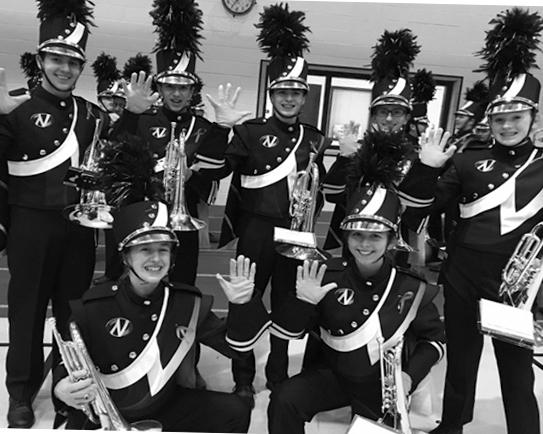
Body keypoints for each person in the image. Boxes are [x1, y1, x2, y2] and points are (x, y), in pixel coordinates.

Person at [398, 8, 543, 434]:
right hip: (463, 277)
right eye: (500, 118)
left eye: (517, 117)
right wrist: (425, 168)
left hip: (514, 285)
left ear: (532, 119)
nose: (508, 125)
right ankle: (453, 426)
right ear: (490, 121)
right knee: (462, 360)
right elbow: (419, 210)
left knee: (516, 370)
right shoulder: (465, 162)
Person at [193, 3, 328, 407]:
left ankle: (279, 374)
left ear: (305, 97)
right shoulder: (250, 132)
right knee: (245, 301)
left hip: (296, 234)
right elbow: (215, 172)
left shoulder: (315, 138)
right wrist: (220, 129)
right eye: (282, 91)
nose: (289, 98)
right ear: (271, 95)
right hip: (255, 229)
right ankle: (243, 377)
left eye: (296, 92)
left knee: (289, 303)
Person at [267, 131, 445, 434]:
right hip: (332, 375)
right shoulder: (325, 272)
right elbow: (290, 330)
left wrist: (409, 377)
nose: (364, 244)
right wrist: (303, 302)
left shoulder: (412, 286)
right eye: (357, 235)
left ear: (391, 241)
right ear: (346, 237)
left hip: (382, 385)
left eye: (375, 236)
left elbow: (434, 341)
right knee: (284, 399)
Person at [52, 198, 269, 432]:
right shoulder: (95, 305)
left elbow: (235, 348)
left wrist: (242, 304)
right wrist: (60, 387)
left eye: (163, 250)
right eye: (145, 249)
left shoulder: (187, 303)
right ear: (126, 257)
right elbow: (69, 361)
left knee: (235, 412)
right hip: (107, 412)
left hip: (165, 407)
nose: (156, 259)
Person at [0, 0, 103, 427]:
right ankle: (20, 393)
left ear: (81, 68)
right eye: (56, 59)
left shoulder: (93, 116)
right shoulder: (15, 110)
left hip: (77, 228)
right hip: (30, 224)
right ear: (40, 59)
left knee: (71, 313)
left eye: (72, 62)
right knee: (26, 310)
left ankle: (69, 388)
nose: (64, 68)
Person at [111, 0, 245, 287]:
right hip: (144, 214)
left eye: (183, 87)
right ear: (159, 87)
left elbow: (218, 171)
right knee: (138, 284)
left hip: (185, 219)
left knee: (182, 284)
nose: (176, 93)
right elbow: (114, 154)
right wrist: (129, 115)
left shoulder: (205, 127)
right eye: (170, 86)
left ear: (192, 90)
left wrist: (221, 131)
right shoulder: (142, 120)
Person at [322, 28, 421, 254]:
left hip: (396, 244)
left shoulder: (417, 155)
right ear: (373, 115)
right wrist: (345, 157)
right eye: (383, 111)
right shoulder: (358, 150)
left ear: (407, 117)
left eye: (396, 112)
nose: (388, 118)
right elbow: (332, 195)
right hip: (357, 241)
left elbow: (421, 211)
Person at [91, 52, 126, 285]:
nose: (114, 104)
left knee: (119, 232)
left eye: (118, 100)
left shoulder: (133, 121)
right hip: (95, 182)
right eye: (108, 99)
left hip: (122, 185)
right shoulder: (92, 118)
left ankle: (116, 273)